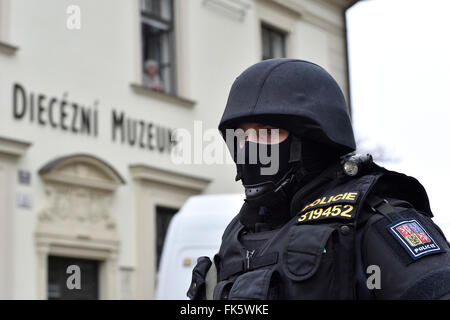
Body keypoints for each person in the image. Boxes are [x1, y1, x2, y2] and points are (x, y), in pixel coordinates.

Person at [187, 58, 450, 300]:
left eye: (267, 133)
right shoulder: (239, 233)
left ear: (313, 141)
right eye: (241, 137)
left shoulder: (374, 222)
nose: (249, 149)